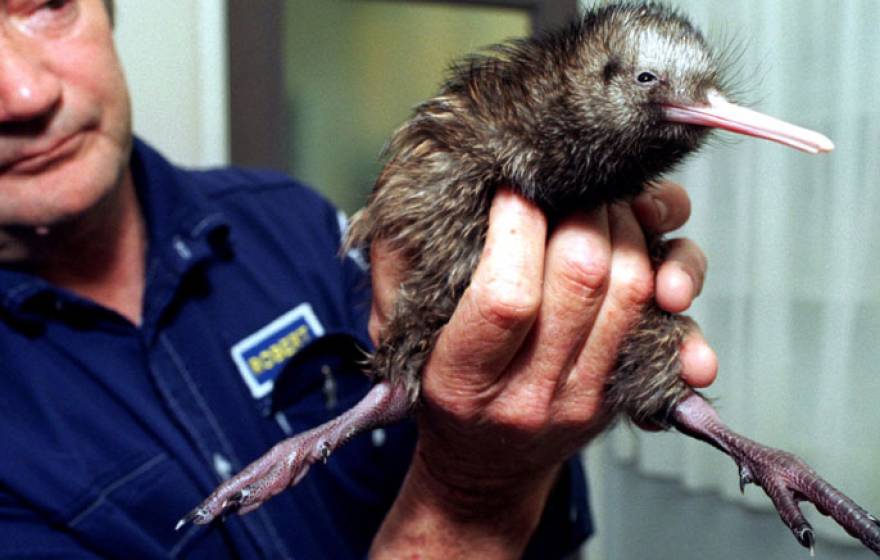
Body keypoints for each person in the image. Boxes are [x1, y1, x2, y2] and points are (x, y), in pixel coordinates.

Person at [0, 1, 717, 558]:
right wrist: (471, 499)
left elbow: (547, 522)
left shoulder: (289, 222)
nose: (26, 93)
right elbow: (487, 466)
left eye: (47, 4)